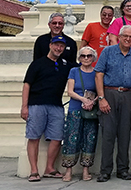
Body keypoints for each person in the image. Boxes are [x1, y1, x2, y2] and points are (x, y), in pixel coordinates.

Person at [94, 25, 131, 182]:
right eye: (125, 36)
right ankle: (105, 170)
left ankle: (123, 169)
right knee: (108, 133)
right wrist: (101, 98)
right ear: (119, 36)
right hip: (109, 93)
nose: (128, 39)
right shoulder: (107, 52)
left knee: (125, 134)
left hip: (129, 95)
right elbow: (99, 74)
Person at [21, 36, 75, 182]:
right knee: (34, 137)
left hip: (56, 105)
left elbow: (82, 68)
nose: (59, 48)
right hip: (36, 104)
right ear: (50, 45)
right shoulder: (37, 64)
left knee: (57, 138)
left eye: (61, 46)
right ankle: (34, 170)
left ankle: (49, 168)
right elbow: (27, 85)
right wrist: (24, 106)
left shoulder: (66, 65)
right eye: (56, 45)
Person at [61, 46, 99, 182]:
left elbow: (100, 91)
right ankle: (68, 170)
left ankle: (86, 169)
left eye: (89, 56)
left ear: (93, 58)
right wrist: (84, 100)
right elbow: (70, 91)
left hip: (91, 110)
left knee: (89, 138)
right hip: (75, 108)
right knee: (72, 138)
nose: (86, 58)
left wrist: (92, 102)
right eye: (83, 56)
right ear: (79, 58)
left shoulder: (97, 73)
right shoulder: (74, 71)